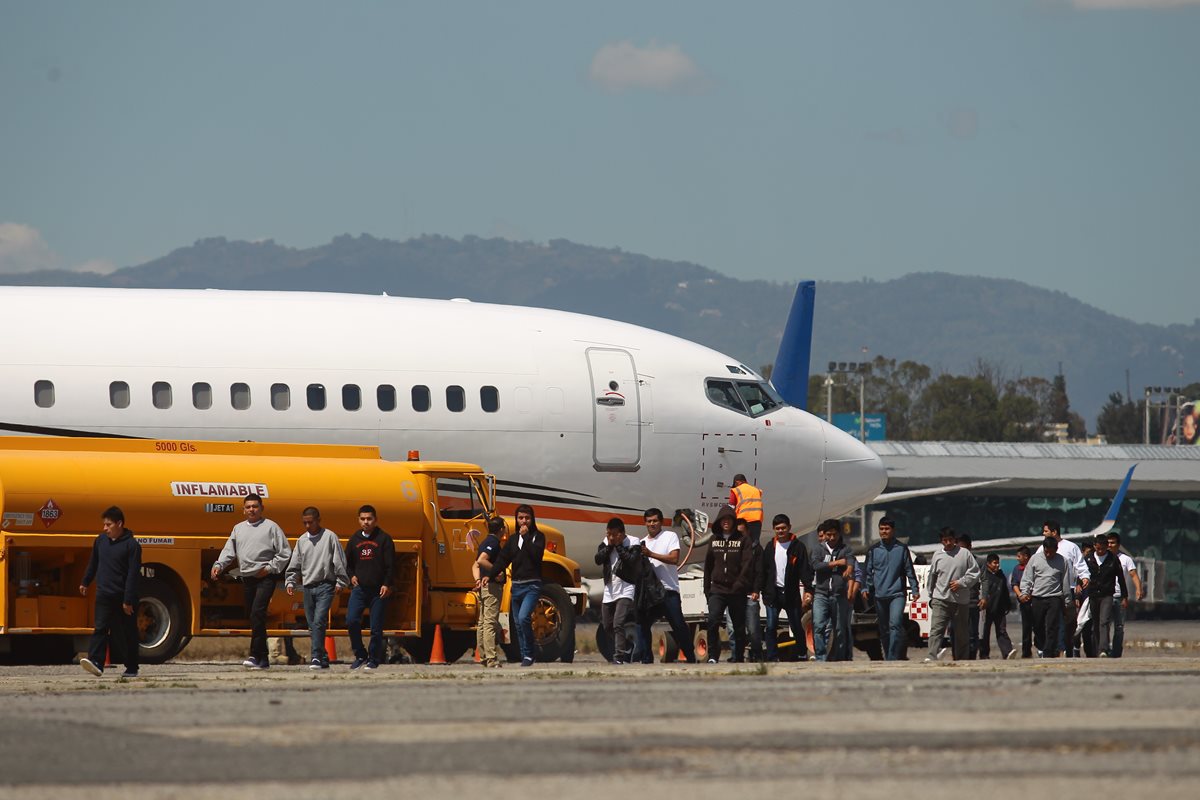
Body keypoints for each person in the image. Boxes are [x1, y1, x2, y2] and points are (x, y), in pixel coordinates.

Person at [211, 493, 292, 670]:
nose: (251, 510)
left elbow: (285, 552)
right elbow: (229, 551)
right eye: (248, 507)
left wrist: (269, 569)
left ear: (262, 508)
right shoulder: (238, 528)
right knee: (254, 616)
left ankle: (256, 655)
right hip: (247, 578)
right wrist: (218, 565)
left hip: (265, 577)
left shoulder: (271, 527)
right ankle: (262, 658)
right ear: (243, 510)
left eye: (255, 506)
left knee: (257, 613)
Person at [78, 506, 142, 678]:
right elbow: (93, 563)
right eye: (104, 525)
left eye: (108, 525)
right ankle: (96, 662)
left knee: (126, 633)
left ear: (119, 524)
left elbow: (132, 574)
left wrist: (128, 600)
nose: (104, 528)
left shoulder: (132, 545)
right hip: (104, 593)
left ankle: (132, 667)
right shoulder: (100, 541)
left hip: (124, 597)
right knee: (100, 628)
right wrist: (85, 581)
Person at [284, 507, 349, 670]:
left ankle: (315, 658)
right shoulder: (302, 541)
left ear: (318, 520)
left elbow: (339, 561)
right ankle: (324, 657)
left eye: (310, 522)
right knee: (312, 624)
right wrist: (291, 581)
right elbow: (295, 564)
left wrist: (341, 582)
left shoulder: (329, 537)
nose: (307, 526)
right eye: (304, 523)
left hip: (326, 585)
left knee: (319, 621)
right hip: (307, 586)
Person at [636, 508, 697, 664]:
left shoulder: (670, 536)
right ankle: (646, 658)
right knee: (642, 623)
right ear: (645, 523)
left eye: (655, 521)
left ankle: (690, 657)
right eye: (649, 521)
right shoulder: (642, 542)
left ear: (661, 522)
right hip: (651, 593)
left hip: (669, 590)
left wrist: (651, 554)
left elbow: (674, 558)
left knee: (678, 625)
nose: (652, 524)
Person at [488, 504, 545, 667]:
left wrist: (526, 538)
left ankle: (529, 654)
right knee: (518, 624)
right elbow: (502, 559)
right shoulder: (513, 540)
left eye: (527, 518)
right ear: (516, 520)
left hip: (532, 585)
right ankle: (525, 654)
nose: (524, 521)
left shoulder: (538, 537)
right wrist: (489, 575)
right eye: (521, 518)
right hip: (517, 586)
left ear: (532, 519)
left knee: (523, 617)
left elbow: (536, 556)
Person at [344, 504, 396, 671]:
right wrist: (351, 576)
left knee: (376, 627)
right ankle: (360, 655)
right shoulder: (354, 539)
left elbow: (391, 566)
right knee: (351, 620)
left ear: (375, 520)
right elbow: (347, 563)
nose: (366, 522)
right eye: (363, 519)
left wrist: (387, 584)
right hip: (359, 590)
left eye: (369, 519)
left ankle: (373, 659)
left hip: (378, 590)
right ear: (358, 520)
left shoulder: (384, 539)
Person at [758, 514, 813, 662]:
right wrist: (758, 590)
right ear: (774, 530)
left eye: (783, 528)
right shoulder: (770, 547)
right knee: (770, 626)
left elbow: (804, 570)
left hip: (790, 594)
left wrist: (808, 589)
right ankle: (772, 656)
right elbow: (763, 571)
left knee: (795, 625)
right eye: (777, 529)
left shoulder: (798, 547)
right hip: (772, 593)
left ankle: (801, 653)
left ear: (789, 527)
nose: (781, 531)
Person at [703, 506, 753, 663]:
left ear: (733, 521)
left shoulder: (743, 540)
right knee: (712, 622)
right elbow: (708, 566)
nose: (726, 522)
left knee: (738, 626)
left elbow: (747, 564)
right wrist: (707, 589)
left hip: (736, 590)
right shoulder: (714, 540)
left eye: (729, 519)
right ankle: (712, 656)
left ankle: (738, 656)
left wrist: (740, 583)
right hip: (717, 589)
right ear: (719, 522)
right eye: (723, 519)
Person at [864, 517, 919, 661]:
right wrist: (865, 588)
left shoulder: (901, 549)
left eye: (887, 529)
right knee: (884, 630)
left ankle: (892, 657)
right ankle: (889, 655)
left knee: (895, 624)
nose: (884, 532)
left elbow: (909, 570)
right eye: (881, 529)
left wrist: (915, 589)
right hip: (879, 596)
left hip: (897, 594)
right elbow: (868, 572)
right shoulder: (873, 550)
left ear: (893, 530)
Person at [924, 527, 980, 663]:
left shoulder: (964, 554)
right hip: (940, 599)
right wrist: (931, 594)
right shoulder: (937, 555)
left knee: (961, 632)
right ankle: (931, 655)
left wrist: (961, 583)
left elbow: (974, 572)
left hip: (960, 601)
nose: (948, 543)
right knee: (936, 629)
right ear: (941, 541)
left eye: (950, 540)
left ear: (955, 540)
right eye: (945, 540)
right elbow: (932, 576)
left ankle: (962, 658)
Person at [595, 518, 642, 664]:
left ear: (622, 534)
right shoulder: (606, 542)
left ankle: (619, 656)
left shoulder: (634, 542)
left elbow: (632, 561)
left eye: (614, 534)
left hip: (626, 587)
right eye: (608, 534)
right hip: (610, 587)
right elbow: (598, 559)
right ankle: (627, 646)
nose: (611, 537)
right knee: (607, 625)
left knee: (618, 622)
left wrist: (620, 546)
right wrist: (609, 547)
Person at [1042, 521, 1089, 658]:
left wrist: (1085, 577)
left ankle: (1067, 650)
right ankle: (1056, 650)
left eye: (1045, 531)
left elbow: (1080, 565)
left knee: (1069, 624)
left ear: (1054, 532)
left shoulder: (1071, 547)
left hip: (1070, 590)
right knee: (1054, 621)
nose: (1043, 534)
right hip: (1050, 592)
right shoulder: (1041, 549)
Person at [1019, 537, 1071, 658]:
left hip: (1055, 597)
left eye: (1051, 552)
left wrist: (1067, 600)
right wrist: (1024, 592)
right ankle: (1043, 645)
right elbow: (1027, 578)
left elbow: (1065, 582)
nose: (1048, 554)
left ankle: (1049, 653)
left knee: (1052, 626)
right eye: (1046, 551)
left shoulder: (1062, 561)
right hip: (1037, 597)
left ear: (1056, 549)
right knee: (1037, 626)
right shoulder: (1035, 559)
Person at [811, 518, 854, 662]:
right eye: (828, 534)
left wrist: (848, 568)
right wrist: (835, 563)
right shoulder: (818, 549)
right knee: (818, 626)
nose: (831, 538)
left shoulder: (845, 549)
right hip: (821, 594)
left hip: (838, 594)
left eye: (834, 534)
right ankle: (820, 657)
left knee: (840, 629)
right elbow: (816, 565)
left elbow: (850, 561)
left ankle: (840, 657)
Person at [1084, 534, 1128, 658]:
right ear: (1094, 546)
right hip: (1093, 595)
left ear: (1106, 547)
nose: (1100, 551)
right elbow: (1081, 574)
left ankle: (1103, 649)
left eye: (1103, 549)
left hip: (1107, 595)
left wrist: (1125, 596)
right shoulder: (1088, 559)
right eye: (1098, 549)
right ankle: (1097, 649)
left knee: (1104, 621)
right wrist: (1078, 589)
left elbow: (1121, 578)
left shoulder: (1113, 559)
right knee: (1096, 623)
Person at [472, 516, 506, 668]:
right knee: (490, 623)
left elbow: (475, 565)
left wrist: (477, 580)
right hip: (492, 587)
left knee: (482, 623)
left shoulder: (484, 542)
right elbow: (481, 560)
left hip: (484, 587)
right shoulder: (493, 543)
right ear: (501, 530)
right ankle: (491, 659)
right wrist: (496, 571)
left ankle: (484, 657)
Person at [1108, 533, 1144, 658]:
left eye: (1112, 543)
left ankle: (1116, 652)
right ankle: (1104, 649)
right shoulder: (1102, 558)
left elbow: (1133, 575)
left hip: (1119, 596)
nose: (1109, 545)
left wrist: (1139, 589)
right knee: (1104, 625)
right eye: (1108, 542)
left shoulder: (1125, 559)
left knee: (1119, 626)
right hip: (1105, 596)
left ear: (1118, 545)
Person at [978, 553, 1015, 660]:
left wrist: (1008, 604)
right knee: (985, 633)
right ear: (988, 564)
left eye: (998, 563)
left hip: (999, 608)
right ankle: (984, 654)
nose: (997, 565)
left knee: (1002, 631)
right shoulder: (984, 576)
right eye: (995, 563)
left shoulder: (1001, 575)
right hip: (987, 609)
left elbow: (1005, 592)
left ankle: (1007, 652)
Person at [738, 519, 765, 662]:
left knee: (753, 629)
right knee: (734, 629)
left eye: (742, 532)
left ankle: (757, 654)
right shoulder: (732, 547)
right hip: (735, 595)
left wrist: (756, 590)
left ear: (748, 532)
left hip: (750, 594)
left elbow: (759, 571)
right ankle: (737, 656)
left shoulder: (756, 548)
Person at [956, 533, 985, 659]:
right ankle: (959, 655)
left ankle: (972, 656)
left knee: (973, 632)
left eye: (964, 548)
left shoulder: (979, 562)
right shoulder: (954, 561)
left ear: (970, 547)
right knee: (957, 631)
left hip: (972, 601)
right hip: (956, 601)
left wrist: (984, 597)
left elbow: (984, 580)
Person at [1010, 546, 1035, 658]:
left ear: (1026, 556)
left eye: (1019, 556)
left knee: (1039, 626)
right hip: (1024, 602)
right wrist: (1020, 595)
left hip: (1035, 600)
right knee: (1026, 628)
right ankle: (1026, 651)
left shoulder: (1034, 567)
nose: (1017, 558)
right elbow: (1014, 584)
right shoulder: (1016, 569)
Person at [728, 474, 764, 546]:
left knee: (741, 543)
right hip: (757, 520)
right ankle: (756, 556)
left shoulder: (736, 490)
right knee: (755, 543)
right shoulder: (756, 490)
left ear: (737, 482)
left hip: (743, 521)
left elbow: (731, 507)